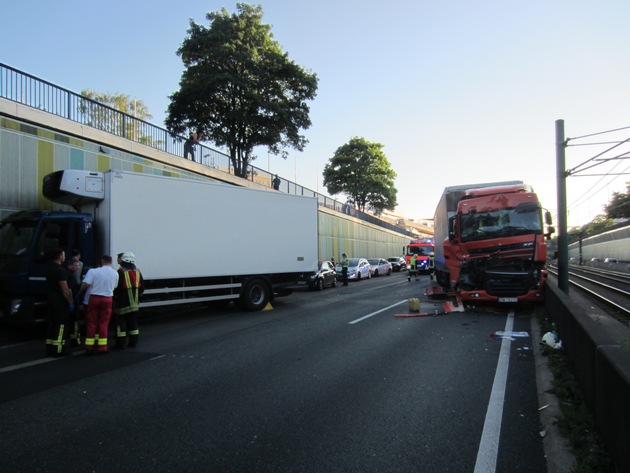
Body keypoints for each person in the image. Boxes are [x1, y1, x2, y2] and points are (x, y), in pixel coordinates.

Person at [79, 255, 119, 355]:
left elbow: (86, 284)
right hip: (107, 299)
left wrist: (79, 292)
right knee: (104, 323)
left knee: (92, 322)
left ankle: (89, 347)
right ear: (111, 262)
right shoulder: (115, 273)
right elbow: (115, 286)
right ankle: (102, 347)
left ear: (102, 261)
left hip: (94, 298)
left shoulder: (93, 271)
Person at [45, 248, 74, 357]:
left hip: (50, 300)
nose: (64, 257)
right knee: (61, 325)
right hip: (60, 302)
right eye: (64, 255)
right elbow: (65, 289)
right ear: (60, 257)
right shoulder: (61, 271)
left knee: (51, 324)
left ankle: (49, 347)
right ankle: (59, 348)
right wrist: (70, 301)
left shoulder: (49, 269)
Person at [113, 251, 144, 349]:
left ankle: (120, 344)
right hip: (134, 303)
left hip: (122, 303)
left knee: (121, 324)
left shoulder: (121, 272)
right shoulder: (138, 272)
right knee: (133, 323)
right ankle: (133, 342)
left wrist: (115, 300)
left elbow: (116, 288)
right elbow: (142, 288)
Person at [66, 256, 83, 347]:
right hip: (73, 301)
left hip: (72, 301)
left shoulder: (70, 274)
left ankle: (74, 338)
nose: (78, 267)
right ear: (71, 265)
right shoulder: (69, 275)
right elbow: (70, 289)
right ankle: (75, 339)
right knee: (75, 322)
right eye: (76, 265)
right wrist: (72, 302)